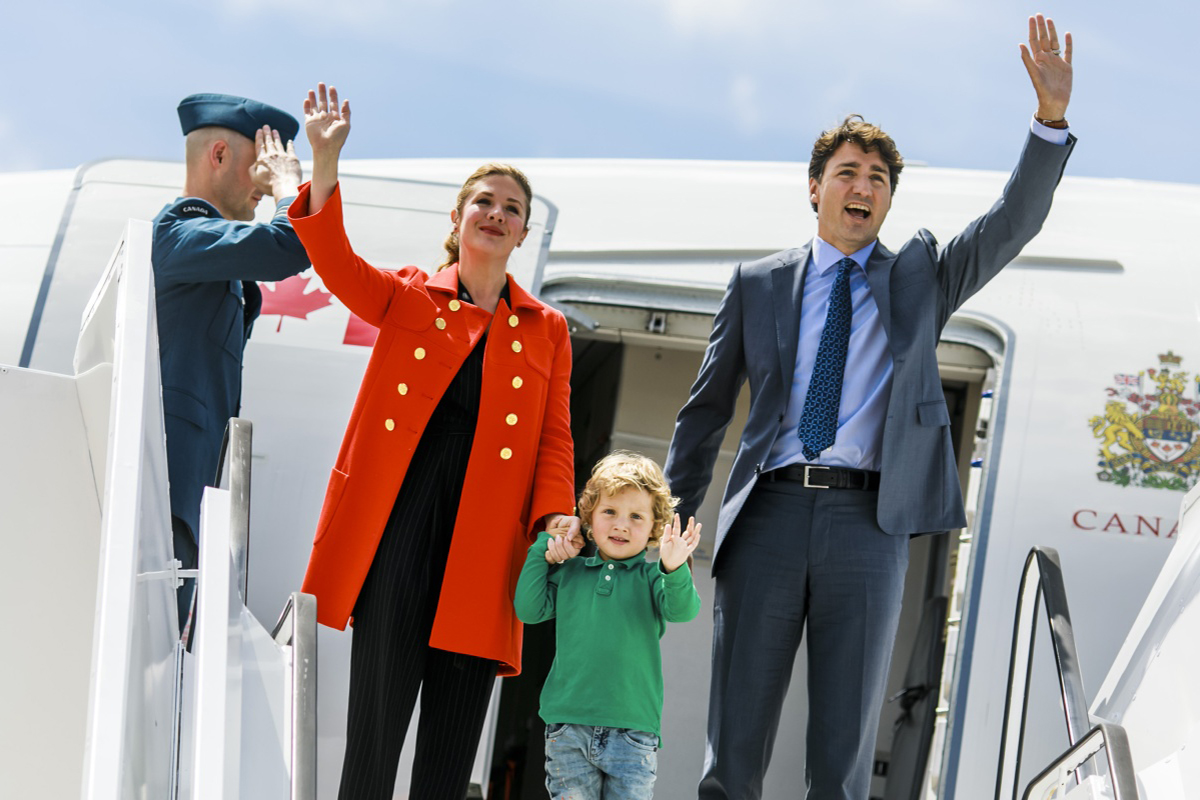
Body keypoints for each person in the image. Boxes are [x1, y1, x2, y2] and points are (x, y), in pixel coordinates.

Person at [663, 15, 1076, 800]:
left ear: (889, 200)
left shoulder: (920, 278)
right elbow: (705, 409)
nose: (864, 187)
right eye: (849, 172)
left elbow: (1009, 225)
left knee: (844, 756)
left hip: (868, 528)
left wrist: (1049, 123)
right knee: (734, 747)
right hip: (770, 518)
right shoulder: (757, 283)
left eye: (880, 179)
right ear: (814, 186)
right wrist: (672, 514)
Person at [292, 83, 578, 800]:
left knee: (448, 767)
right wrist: (324, 163)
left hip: (486, 557)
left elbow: (555, 438)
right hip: (400, 537)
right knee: (373, 744)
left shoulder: (547, 329)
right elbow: (338, 266)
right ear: (458, 218)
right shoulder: (412, 294)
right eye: (485, 201)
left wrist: (556, 519)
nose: (498, 213)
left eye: (513, 209)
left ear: (522, 235)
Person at [153, 93, 310, 632]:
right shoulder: (179, 229)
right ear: (218, 154)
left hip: (191, 505)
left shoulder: (216, 263)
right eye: (261, 161)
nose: (265, 180)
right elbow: (287, 244)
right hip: (166, 499)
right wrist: (288, 187)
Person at [514, 451, 702, 800]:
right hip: (567, 728)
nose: (621, 525)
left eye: (636, 516)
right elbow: (528, 609)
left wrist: (675, 568)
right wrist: (544, 546)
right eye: (610, 512)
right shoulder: (569, 573)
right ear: (588, 518)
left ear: (654, 528)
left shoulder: (653, 577)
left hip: (633, 734)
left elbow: (682, 611)